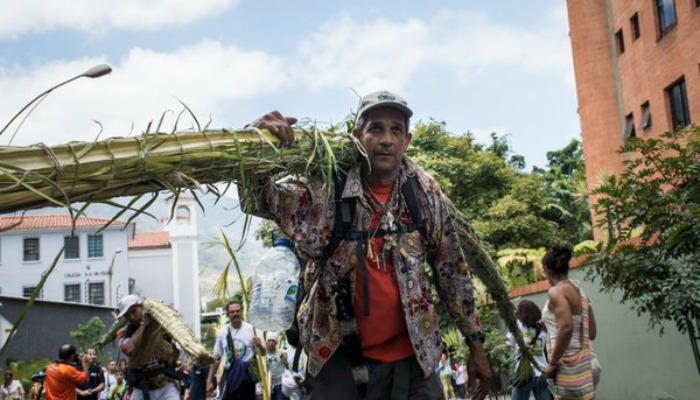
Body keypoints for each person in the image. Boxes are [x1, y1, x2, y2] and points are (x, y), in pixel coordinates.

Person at [242, 90, 492, 399]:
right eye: (375, 128)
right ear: (357, 136)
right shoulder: (328, 188)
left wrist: (475, 344)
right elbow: (262, 200)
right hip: (337, 355)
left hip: (416, 359)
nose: (386, 138)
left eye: (395, 129)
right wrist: (254, 145)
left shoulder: (423, 191)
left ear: (407, 140)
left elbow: (451, 268)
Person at [102, 295, 213, 400]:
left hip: (166, 385)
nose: (132, 316)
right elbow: (128, 349)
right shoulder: (124, 333)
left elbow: (180, 335)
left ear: (142, 307)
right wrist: (143, 326)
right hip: (141, 387)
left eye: (134, 311)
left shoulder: (162, 325)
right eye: (127, 315)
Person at [540, 244, 597, 400]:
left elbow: (566, 327)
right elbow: (591, 333)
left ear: (547, 270)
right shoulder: (581, 292)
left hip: (567, 368)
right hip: (587, 366)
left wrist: (552, 363)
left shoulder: (556, 291)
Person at [207, 300, 262, 400]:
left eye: (237, 311)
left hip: (247, 377)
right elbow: (217, 357)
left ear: (242, 312)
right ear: (228, 314)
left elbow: (262, 353)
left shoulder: (250, 329)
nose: (235, 314)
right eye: (232, 312)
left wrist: (261, 346)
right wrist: (209, 379)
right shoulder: (223, 332)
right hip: (230, 375)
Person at [506, 300, 552, 400]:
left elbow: (508, 344)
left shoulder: (517, 325)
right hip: (542, 372)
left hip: (524, 373)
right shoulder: (543, 327)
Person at [262, 333, 283, 400]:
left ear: (276, 343)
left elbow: (286, 366)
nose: (271, 342)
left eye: (273, 341)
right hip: (267, 385)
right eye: (269, 340)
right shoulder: (263, 355)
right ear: (266, 342)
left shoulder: (280, 353)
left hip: (279, 384)